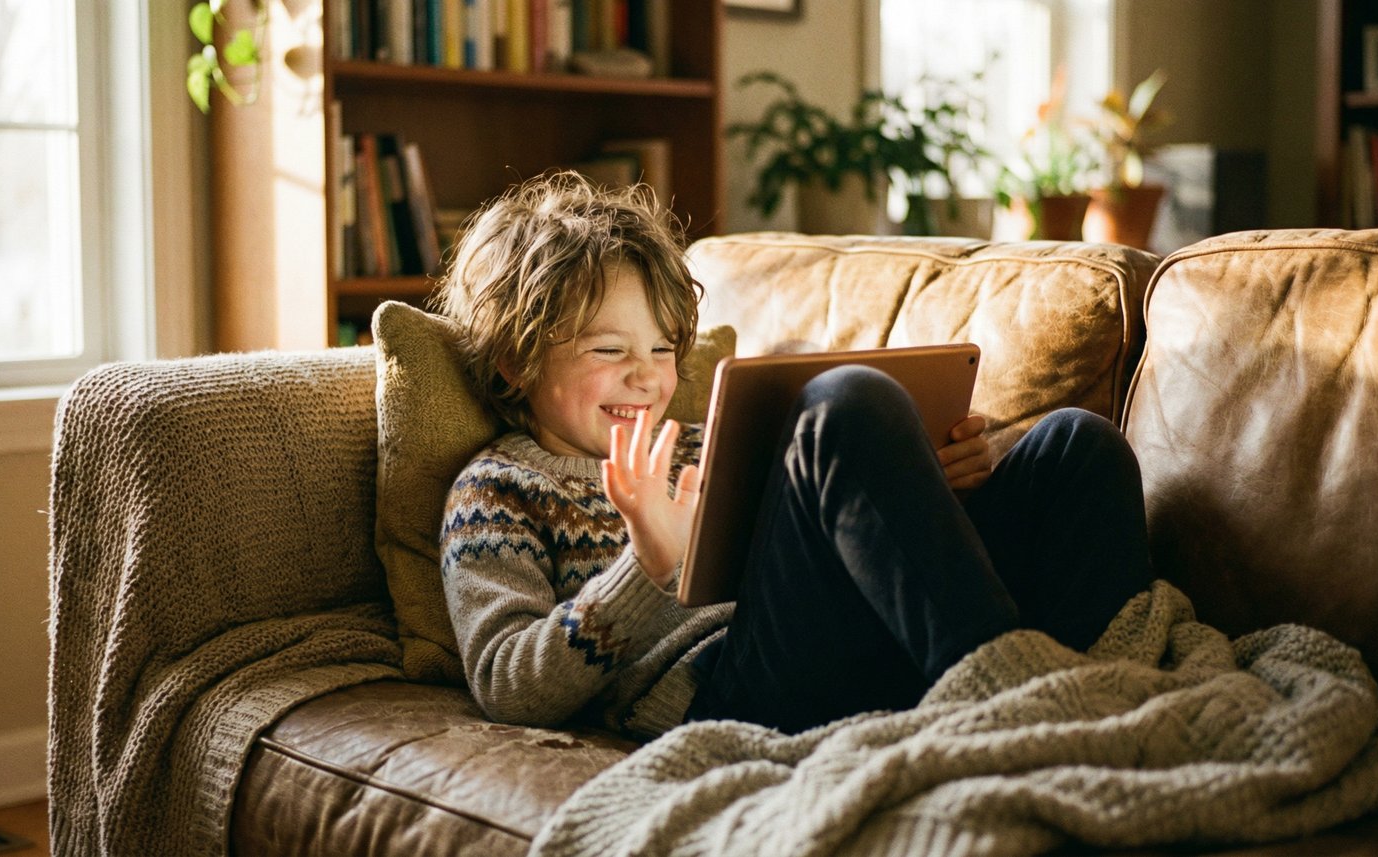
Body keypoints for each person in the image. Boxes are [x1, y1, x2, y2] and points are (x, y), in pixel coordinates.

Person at [432, 171, 1153, 740]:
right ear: (513, 363)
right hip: (724, 691)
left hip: (855, 643)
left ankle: (1072, 687)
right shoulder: (497, 490)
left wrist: (938, 484)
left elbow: (833, 555)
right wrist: (645, 567)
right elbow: (508, 685)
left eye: (660, 348)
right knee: (843, 404)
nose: (647, 375)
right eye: (608, 349)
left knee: (1076, 446)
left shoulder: (700, 439)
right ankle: (1020, 710)